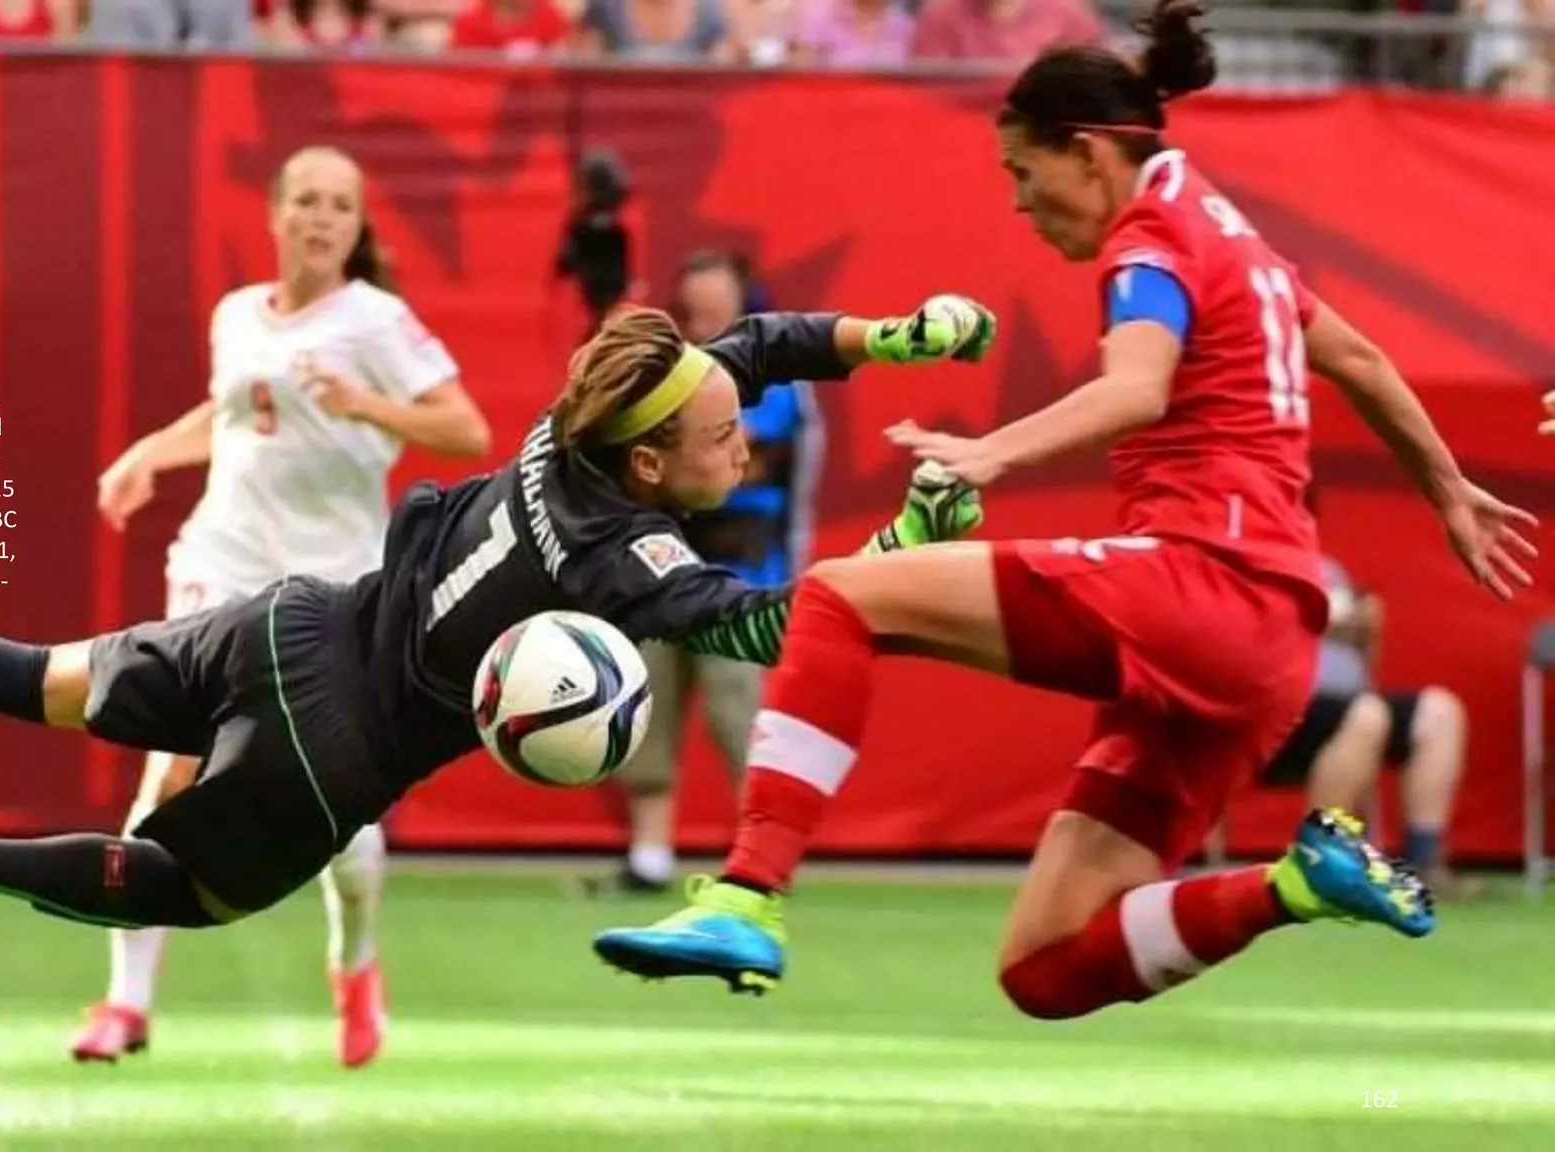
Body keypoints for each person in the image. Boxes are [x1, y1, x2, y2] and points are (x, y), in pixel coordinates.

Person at [0, 297, 998, 1017]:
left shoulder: (570, 419)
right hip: (338, 744)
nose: (740, 444)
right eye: (721, 442)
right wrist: (914, 527)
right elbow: (762, 623)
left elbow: (748, 349)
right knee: (192, 894)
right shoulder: (623, 556)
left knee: (37, 673)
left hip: (288, 619)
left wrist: (895, 338)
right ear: (647, 466)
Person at [595, 0, 1536, 1018]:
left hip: (1205, 587)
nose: (1018, 203)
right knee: (1043, 970)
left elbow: (1135, 390)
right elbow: (1352, 356)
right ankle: (1294, 882)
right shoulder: (1228, 232)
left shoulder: (1153, 241)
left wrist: (986, 452)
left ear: (1086, 152)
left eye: (1021, 172)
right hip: (1263, 650)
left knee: (834, 598)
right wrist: (1444, 490)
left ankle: (747, 896)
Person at [76, 146, 491, 1068]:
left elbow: (467, 428)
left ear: (356, 225)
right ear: (275, 213)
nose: (322, 218)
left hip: (333, 588)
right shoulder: (238, 314)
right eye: (307, 200)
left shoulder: (376, 320)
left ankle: (356, 968)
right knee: (168, 775)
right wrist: (150, 452)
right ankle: (125, 1004)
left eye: (341, 205)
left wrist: (368, 405)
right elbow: (234, 414)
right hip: (222, 564)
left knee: (337, 810)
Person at [594, 253, 833, 896]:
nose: (705, 319)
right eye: (694, 307)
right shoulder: (661, 377)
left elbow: (734, 467)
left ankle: (760, 864)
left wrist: (674, 465)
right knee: (645, 714)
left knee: (743, 723)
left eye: (715, 305)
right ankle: (649, 856)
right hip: (658, 573)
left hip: (742, 577)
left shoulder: (776, 382)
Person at [1259, 548, 1474, 896]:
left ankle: (1422, 863)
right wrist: (1307, 618)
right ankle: (1323, 865)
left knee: (1438, 711)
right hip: (1282, 708)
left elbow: (1364, 660)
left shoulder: (1329, 569)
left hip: (1352, 700)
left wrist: (1366, 628)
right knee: (1366, 715)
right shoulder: (1252, 560)